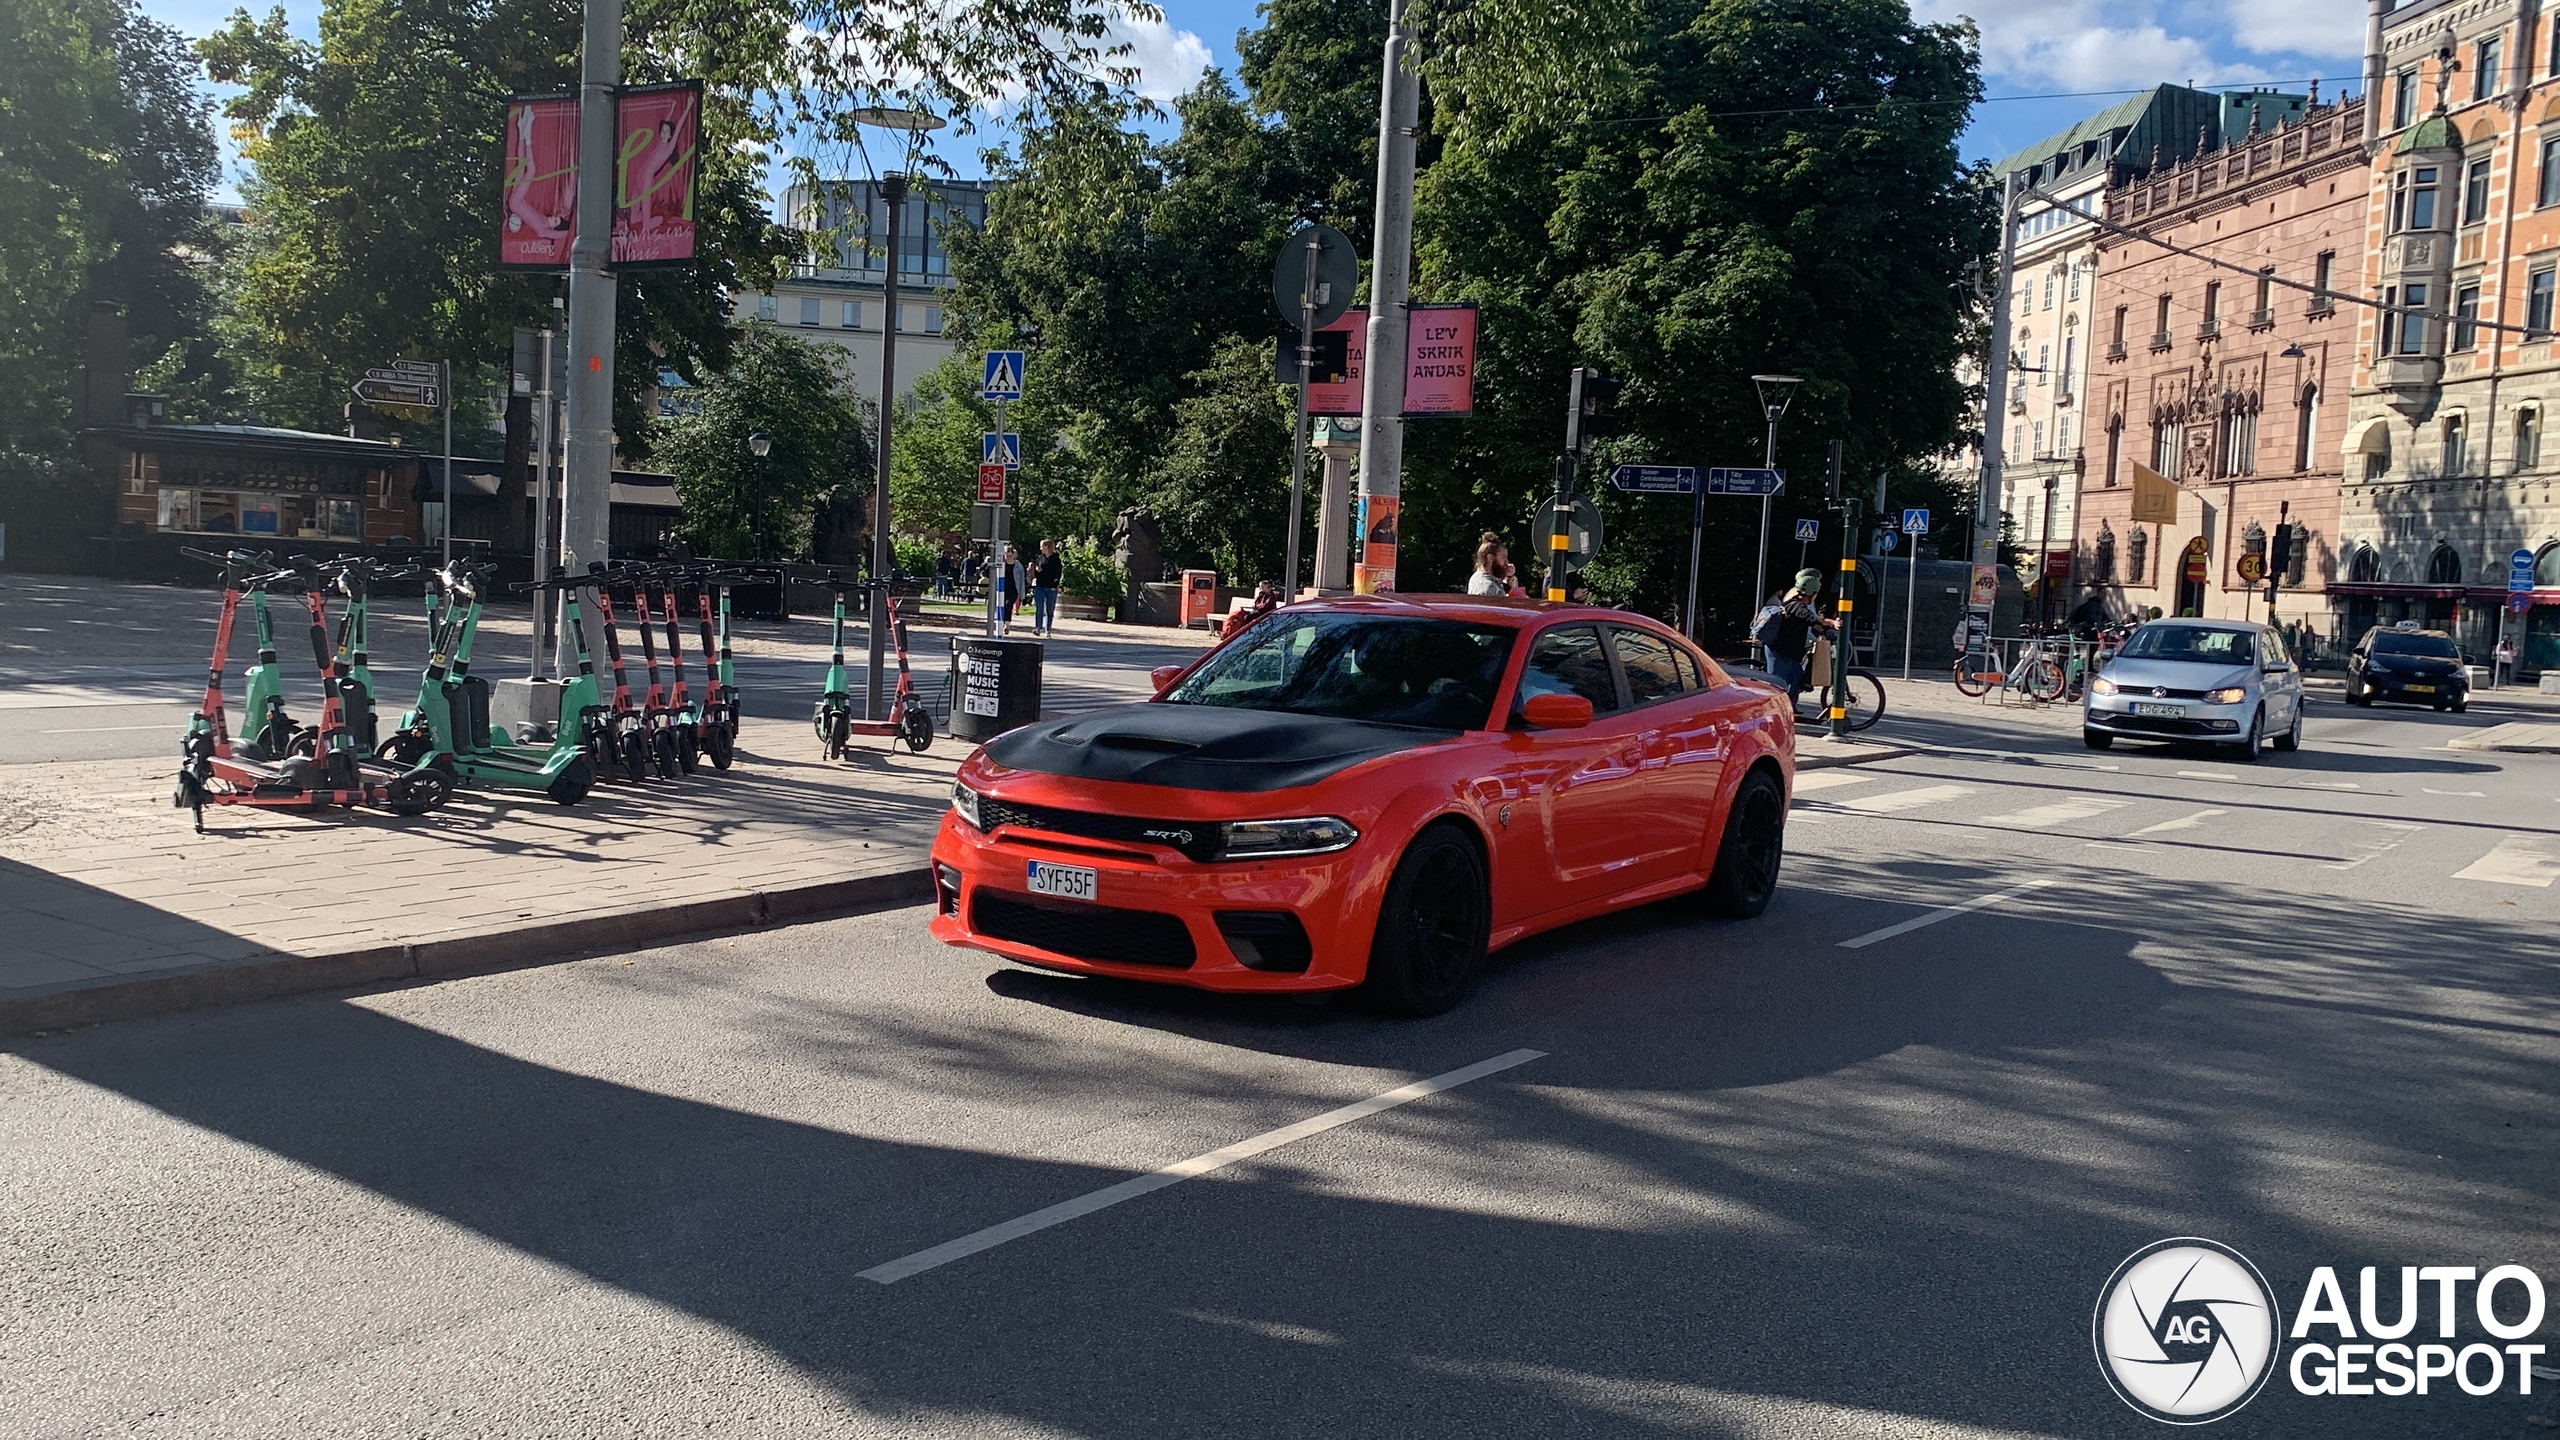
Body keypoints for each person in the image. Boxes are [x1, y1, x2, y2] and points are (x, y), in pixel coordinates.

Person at [1758, 568, 1837, 704]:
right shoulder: (1796, 605)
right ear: (1812, 593)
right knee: (1777, 686)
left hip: (1789, 651)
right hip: (1779, 651)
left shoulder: (1798, 603)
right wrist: (1832, 622)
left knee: (1795, 678)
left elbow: (1809, 621)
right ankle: (1771, 711)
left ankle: (1790, 710)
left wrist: (1822, 629)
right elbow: (1810, 617)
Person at [1032, 539, 1064, 635]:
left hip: (1051, 587)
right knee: (1039, 608)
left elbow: (1058, 573)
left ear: (1047, 546)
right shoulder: (1040, 558)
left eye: (1042, 546)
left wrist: (1055, 585)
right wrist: (1037, 571)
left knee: (1050, 609)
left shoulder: (1055, 559)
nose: (1040, 548)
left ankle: (1048, 629)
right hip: (1040, 586)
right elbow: (1036, 572)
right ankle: (1038, 627)